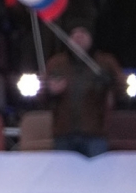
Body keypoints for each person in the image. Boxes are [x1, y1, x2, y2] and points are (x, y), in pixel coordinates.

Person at [43, 20, 126, 157]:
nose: (78, 37)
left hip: (95, 134)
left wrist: (111, 82)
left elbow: (124, 92)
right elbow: (39, 97)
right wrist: (49, 90)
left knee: (98, 170)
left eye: (83, 32)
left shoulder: (106, 62)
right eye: (73, 34)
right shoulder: (56, 63)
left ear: (91, 37)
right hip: (63, 134)